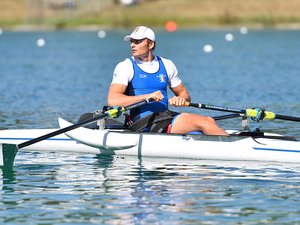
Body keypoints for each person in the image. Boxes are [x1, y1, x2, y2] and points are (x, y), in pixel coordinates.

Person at [107, 25, 228, 135]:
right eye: (132, 41)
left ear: (151, 44)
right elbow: (113, 100)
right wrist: (147, 97)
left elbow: (184, 94)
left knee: (207, 124)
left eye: (138, 41)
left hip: (164, 117)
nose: (132, 45)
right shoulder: (126, 66)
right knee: (206, 122)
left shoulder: (167, 65)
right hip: (143, 123)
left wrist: (181, 99)